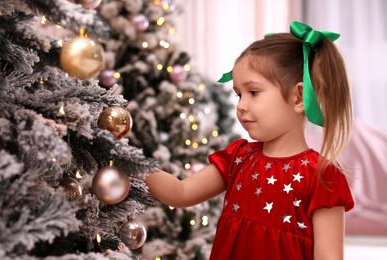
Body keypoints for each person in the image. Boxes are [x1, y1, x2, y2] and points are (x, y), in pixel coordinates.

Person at [144, 21, 354, 260]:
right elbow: (180, 192)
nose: (241, 106)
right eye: (238, 94)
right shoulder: (238, 158)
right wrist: (132, 163)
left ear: (298, 97)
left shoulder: (321, 177)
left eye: (253, 92)